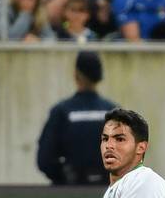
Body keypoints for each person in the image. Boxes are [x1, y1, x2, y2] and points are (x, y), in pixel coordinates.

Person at [37, 52, 117, 186]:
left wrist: (64, 177)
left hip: (69, 193)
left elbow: (44, 160)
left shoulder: (61, 112)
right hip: (106, 193)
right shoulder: (113, 112)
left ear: (76, 75)